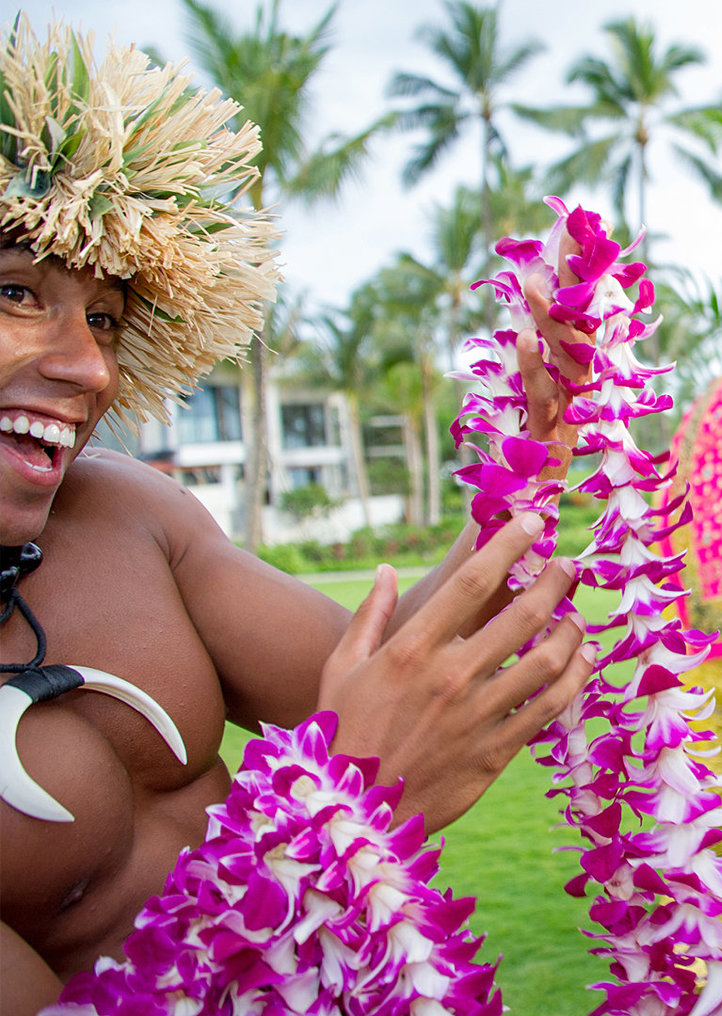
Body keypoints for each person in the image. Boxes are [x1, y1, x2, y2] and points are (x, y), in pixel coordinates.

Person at [0, 20, 592, 1014]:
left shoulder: (130, 509)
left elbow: (384, 671)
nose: (89, 364)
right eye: (19, 292)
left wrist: (522, 463)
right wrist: (340, 814)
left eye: (104, 316)